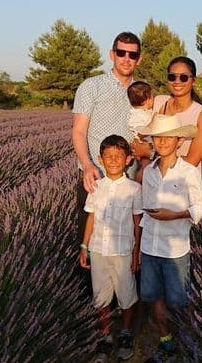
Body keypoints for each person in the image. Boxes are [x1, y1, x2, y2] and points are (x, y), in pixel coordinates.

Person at [137, 114, 202, 362]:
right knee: (155, 296)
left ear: (179, 140)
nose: (162, 141)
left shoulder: (188, 172)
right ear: (153, 141)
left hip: (175, 249)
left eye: (168, 137)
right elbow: (145, 207)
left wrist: (176, 214)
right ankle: (166, 342)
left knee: (179, 300)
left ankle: (190, 340)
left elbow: (201, 206)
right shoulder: (148, 173)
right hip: (149, 247)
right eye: (158, 137)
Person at [78, 135, 143, 362]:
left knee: (126, 294)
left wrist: (137, 252)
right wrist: (84, 246)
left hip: (124, 250)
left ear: (128, 160)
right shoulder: (96, 187)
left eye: (118, 156)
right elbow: (91, 218)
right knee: (100, 296)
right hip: (98, 250)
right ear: (100, 159)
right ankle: (105, 336)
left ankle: (125, 333)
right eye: (108, 157)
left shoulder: (134, 189)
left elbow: (137, 223)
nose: (113, 160)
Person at [72, 31, 142, 238]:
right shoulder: (91, 86)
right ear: (112, 54)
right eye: (121, 53)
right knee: (91, 236)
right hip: (95, 173)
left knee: (128, 236)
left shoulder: (142, 92)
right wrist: (87, 165)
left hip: (128, 176)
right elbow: (78, 131)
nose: (127, 59)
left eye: (132, 55)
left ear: (139, 59)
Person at [149, 56, 202, 168]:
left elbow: (191, 162)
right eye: (172, 77)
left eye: (183, 77)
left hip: (183, 182)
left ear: (193, 81)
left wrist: (150, 155)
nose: (177, 82)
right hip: (155, 180)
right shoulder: (159, 103)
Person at [127, 81, 155, 183]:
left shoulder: (146, 112)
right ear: (147, 100)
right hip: (142, 147)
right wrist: (153, 121)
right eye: (152, 97)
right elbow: (141, 133)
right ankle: (138, 186)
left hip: (150, 147)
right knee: (144, 167)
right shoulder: (136, 115)